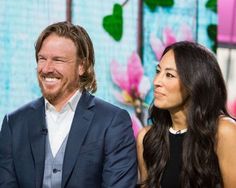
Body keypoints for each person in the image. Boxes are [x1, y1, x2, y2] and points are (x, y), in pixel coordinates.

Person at [0, 21, 137, 188]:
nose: (47, 68)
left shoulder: (112, 122)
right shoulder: (14, 123)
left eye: (58, 60)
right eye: (42, 59)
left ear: (82, 66)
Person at [137, 41, 236, 188]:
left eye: (169, 75)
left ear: (195, 82)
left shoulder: (224, 131)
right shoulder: (147, 138)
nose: (156, 81)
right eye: (158, 71)